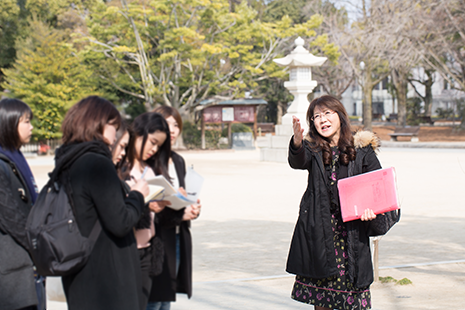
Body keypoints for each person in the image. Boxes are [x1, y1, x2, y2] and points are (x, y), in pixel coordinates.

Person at [287, 95, 394, 310]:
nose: (322, 119)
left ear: (340, 116)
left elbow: (378, 189)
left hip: (352, 237)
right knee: (322, 302)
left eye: (327, 113)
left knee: (353, 301)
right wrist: (297, 142)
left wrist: (371, 212)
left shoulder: (363, 150)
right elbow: (298, 161)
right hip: (321, 237)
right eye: (316, 116)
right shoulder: (313, 150)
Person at [57, 96, 149, 310]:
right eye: (113, 125)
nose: (115, 132)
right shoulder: (97, 162)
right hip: (108, 278)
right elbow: (121, 222)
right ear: (97, 123)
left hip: (80, 268)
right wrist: (138, 195)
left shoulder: (68, 160)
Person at [147, 106, 201, 310]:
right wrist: (180, 213)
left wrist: (192, 209)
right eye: (166, 123)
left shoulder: (178, 160)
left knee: (166, 300)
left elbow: (181, 197)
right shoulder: (148, 161)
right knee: (154, 300)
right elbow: (149, 206)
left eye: (176, 124)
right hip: (155, 240)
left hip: (177, 238)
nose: (172, 129)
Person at [126, 112, 173, 308]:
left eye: (158, 146)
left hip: (148, 250)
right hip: (126, 250)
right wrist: (144, 203)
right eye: (152, 142)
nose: (154, 149)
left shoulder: (151, 169)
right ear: (138, 133)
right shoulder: (121, 167)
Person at [0, 98, 44, 310]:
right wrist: (38, 245)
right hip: (12, 274)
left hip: (28, 265)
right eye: (26, 121)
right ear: (8, 122)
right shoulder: (3, 163)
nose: (31, 127)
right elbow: (12, 218)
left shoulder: (16, 157)